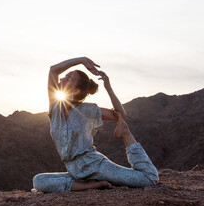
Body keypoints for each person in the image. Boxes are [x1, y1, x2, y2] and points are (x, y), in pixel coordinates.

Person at [32, 57, 159, 192]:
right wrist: (81, 60)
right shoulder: (55, 109)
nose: (61, 79)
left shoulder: (88, 110)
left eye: (68, 78)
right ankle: (90, 185)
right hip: (75, 171)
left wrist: (108, 88)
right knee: (38, 181)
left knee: (148, 179)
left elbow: (120, 114)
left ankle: (126, 135)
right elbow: (53, 71)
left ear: (75, 91)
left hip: (95, 166)